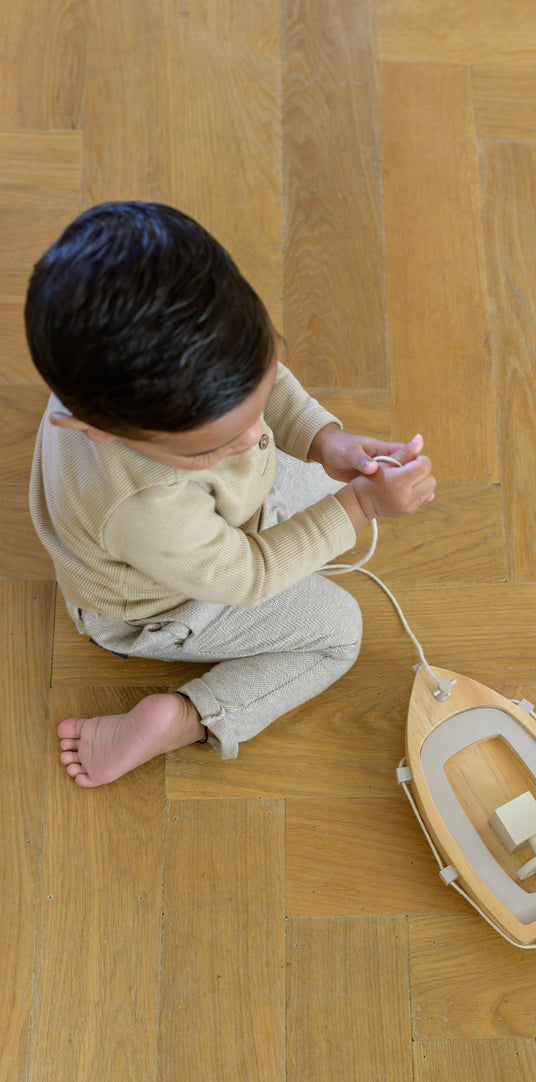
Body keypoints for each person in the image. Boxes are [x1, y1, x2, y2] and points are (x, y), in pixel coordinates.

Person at [26, 202, 436, 788]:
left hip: (202, 530)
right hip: (159, 608)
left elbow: (254, 404)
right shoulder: (142, 507)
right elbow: (249, 576)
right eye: (209, 446)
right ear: (98, 427)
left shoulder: (118, 368)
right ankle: (191, 716)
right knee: (338, 632)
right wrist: (364, 505)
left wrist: (327, 439)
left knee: (332, 476)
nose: (253, 438)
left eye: (259, 382)